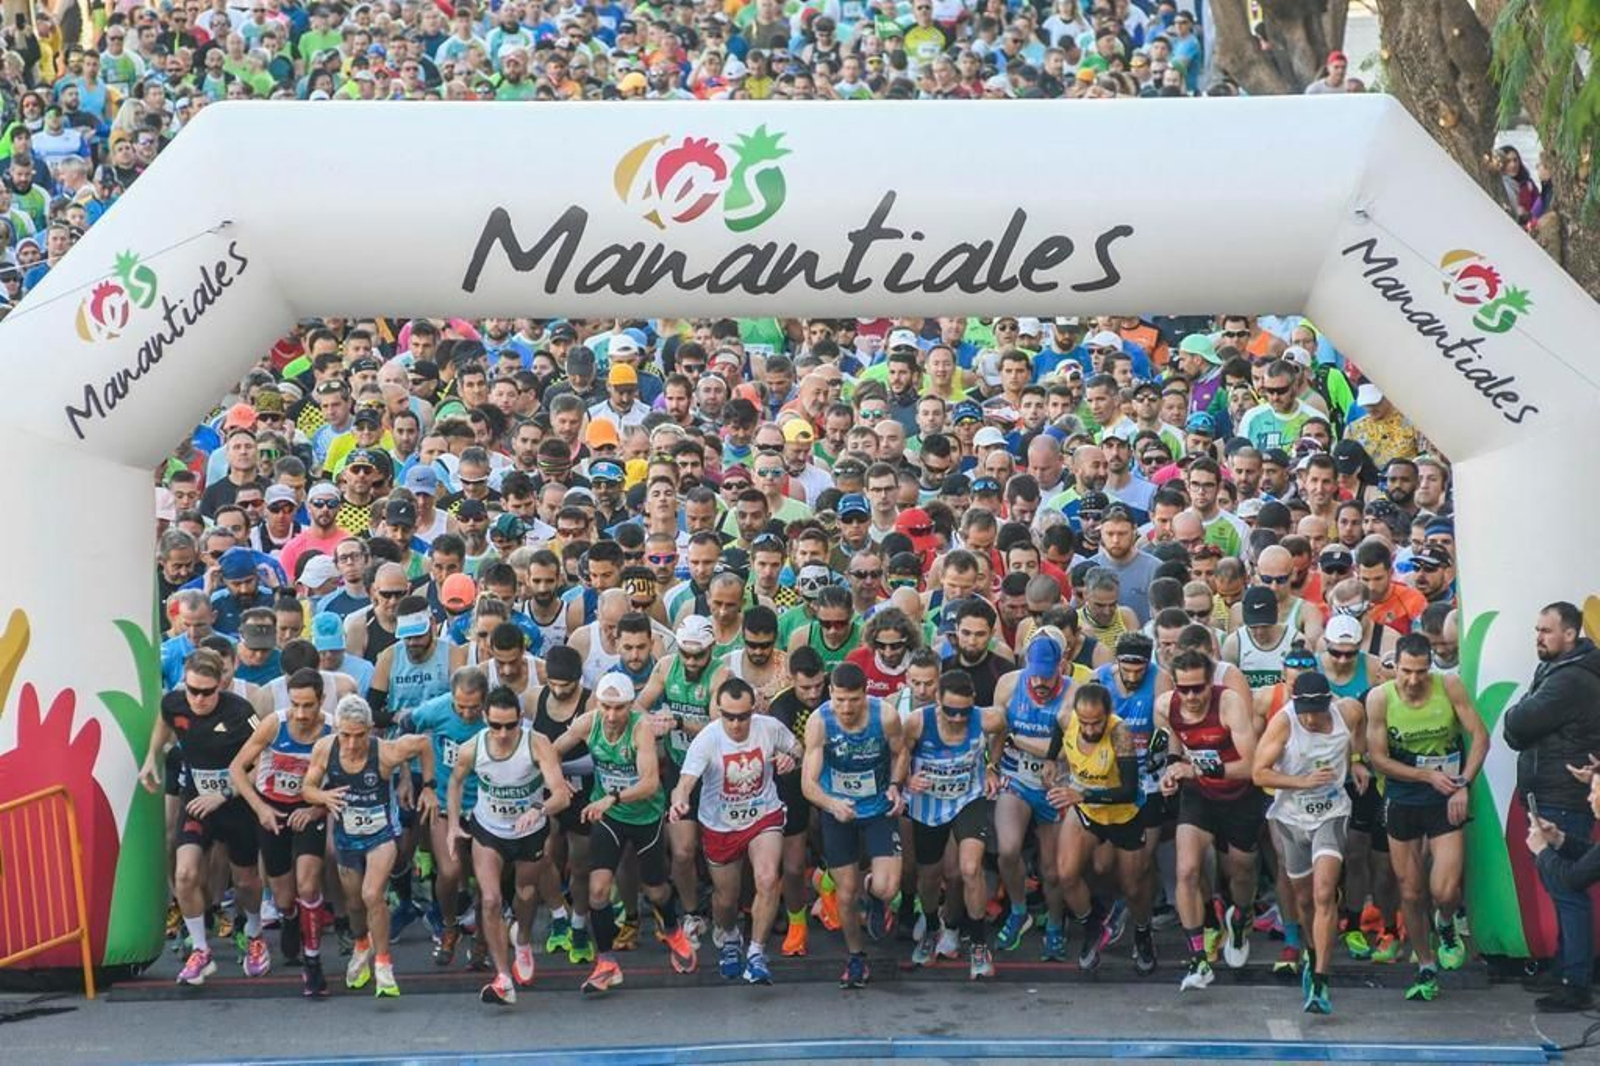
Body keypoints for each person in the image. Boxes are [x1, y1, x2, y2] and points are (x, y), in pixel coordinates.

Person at [552, 673, 696, 995]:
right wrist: (556, 781)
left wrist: (611, 797)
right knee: (598, 890)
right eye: (606, 707)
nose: (612, 715)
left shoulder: (640, 728)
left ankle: (672, 929)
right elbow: (552, 750)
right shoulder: (589, 723)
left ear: (630, 706)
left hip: (645, 817)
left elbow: (649, 783)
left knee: (655, 890)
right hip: (610, 818)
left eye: (619, 708)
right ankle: (606, 963)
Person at [1365, 632, 1489, 1002]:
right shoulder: (1380, 698)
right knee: (1412, 890)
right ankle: (1425, 964)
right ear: (1395, 666)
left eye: (1421, 672)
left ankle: (1447, 922)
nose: (1414, 680)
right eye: (1406, 671)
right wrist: (1425, 775)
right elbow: (1378, 759)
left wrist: (1463, 781)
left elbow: (1480, 737)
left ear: (1429, 667)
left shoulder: (1449, 686)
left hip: (1446, 794)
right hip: (1404, 797)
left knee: (1444, 890)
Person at [139, 649, 271, 987]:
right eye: (192, 690)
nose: (197, 699)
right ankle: (201, 949)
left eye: (206, 692)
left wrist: (225, 792)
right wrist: (152, 757)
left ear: (221, 685)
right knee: (185, 873)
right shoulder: (175, 702)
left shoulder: (241, 712)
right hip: (197, 801)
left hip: (235, 803)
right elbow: (164, 722)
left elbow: (263, 763)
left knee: (245, 881)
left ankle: (254, 934)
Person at [301, 695, 437, 998]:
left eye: (359, 735)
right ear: (336, 730)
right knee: (353, 904)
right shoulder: (325, 749)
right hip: (347, 837)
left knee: (372, 894)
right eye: (345, 735)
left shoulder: (386, 752)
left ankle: (384, 963)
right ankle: (362, 943)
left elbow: (424, 745)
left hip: (381, 835)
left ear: (371, 730)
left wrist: (428, 786)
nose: (351, 744)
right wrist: (323, 798)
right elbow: (307, 788)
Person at [670, 676, 801, 984]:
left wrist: (789, 758)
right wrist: (679, 802)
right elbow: (684, 783)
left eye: (743, 716)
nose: (736, 724)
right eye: (729, 716)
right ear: (718, 711)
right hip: (720, 825)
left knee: (768, 879)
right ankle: (730, 937)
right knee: (726, 900)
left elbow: (798, 748)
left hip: (763, 816)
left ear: (753, 711)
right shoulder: (708, 738)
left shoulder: (768, 728)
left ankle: (756, 952)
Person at [1502, 601, 1600, 1011]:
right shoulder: (1557, 670)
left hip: (1561, 795)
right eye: (1537, 629)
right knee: (1563, 887)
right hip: (1554, 791)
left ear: (1570, 634)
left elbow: (1518, 723)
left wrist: (1515, 720)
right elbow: (1519, 727)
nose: (1538, 637)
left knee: (1567, 887)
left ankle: (1575, 980)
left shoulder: (1569, 679)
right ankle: (1567, 967)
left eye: (1546, 630)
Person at [446, 685, 571, 1006]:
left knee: (526, 893)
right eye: (496, 726)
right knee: (489, 900)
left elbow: (560, 793)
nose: (503, 733)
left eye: (510, 726)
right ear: (485, 718)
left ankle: (524, 941)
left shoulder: (537, 744)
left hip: (529, 831)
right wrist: (452, 826)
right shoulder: (472, 748)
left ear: (520, 720)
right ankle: (502, 978)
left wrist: (538, 809)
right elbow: (455, 782)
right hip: (489, 830)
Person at [1252, 671, 1368, 1015]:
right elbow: (1259, 773)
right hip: (1291, 818)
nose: (1312, 718)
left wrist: (1358, 761)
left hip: (1332, 812)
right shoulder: (1284, 723)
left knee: (1323, 892)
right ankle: (1313, 951)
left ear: (1329, 701)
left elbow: (1359, 731)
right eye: (1306, 710)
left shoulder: (1348, 711)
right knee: (1304, 899)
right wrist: (1301, 782)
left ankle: (1321, 980)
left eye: (1317, 710)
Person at [1157, 648, 1260, 992]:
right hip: (1199, 795)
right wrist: (1172, 768)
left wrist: (1198, 768)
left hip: (1238, 796)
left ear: (1210, 682)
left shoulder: (1228, 702)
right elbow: (1174, 735)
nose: (1191, 697)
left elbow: (1250, 766)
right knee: (1186, 870)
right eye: (1184, 689)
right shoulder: (1166, 706)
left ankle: (1240, 916)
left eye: (1198, 688)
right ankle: (1198, 959)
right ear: (1174, 684)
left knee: (1241, 872)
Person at [228, 668, 334, 996]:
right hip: (272, 809)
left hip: (309, 811)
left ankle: (313, 963)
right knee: (285, 897)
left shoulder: (333, 729)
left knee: (308, 884)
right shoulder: (275, 723)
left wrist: (316, 809)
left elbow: (345, 779)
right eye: (296, 704)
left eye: (309, 706)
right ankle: (289, 917)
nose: (301, 714)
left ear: (322, 701)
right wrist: (260, 809)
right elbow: (236, 769)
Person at [802, 661, 906, 989]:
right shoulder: (820, 722)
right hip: (839, 811)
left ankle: (875, 898)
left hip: (876, 807)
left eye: (854, 700)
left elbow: (900, 753)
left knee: (888, 887)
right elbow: (808, 783)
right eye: (840, 700)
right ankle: (856, 956)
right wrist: (832, 804)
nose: (846, 708)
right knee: (845, 894)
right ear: (830, 693)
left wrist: (895, 784)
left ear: (866, 695)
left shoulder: (885, 715)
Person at [1046, 682, 1149, 974]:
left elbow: (1129, 790)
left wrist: (1084, 794)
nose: (1090, 730)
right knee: (1065, 875)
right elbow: (1057, 727)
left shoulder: (1120, 733)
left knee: (1132, 887)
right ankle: (1092, 925)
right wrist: (1050, 759)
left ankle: (1142, 932)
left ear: (1108, 714)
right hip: (1087, 811)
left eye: (1097, 723)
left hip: (1122, 814)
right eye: (1085, 723)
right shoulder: (1069, 718)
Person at [986, 627, 1074, 957]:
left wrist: (1020, 741)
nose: (1040, 684)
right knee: (1007, 850)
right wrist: (991, 766)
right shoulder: (1009, 684)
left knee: (1052, 870)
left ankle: (1053, 923)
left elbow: (1071, 749)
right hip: (1017, 778)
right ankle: (1019, 909)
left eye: (1047, 678)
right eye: (1035, 676)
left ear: (1061, 668)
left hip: (1054, 786)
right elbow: (997, 731)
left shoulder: (1074, 693)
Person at [903, 668, 995, 979]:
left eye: (964, 711)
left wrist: (992, 766)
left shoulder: (985, 718)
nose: (958, 718)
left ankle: (979, 944)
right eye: (951, 711)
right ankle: (931, 928)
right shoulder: (917, 721)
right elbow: (897, 753)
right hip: (928, 805)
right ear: (937, 701)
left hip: (969, 798)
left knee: (970, 869)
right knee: (929, 876)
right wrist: (905, 778)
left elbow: (1003, 729)